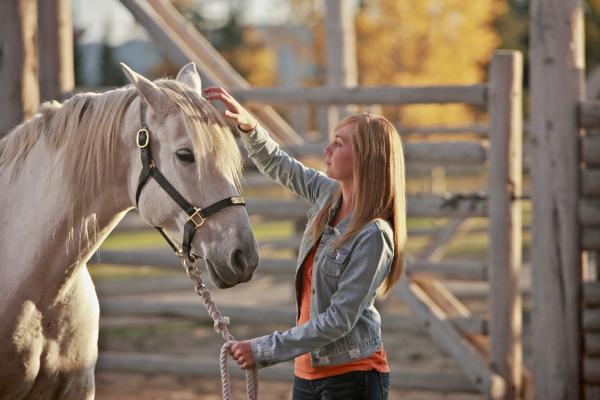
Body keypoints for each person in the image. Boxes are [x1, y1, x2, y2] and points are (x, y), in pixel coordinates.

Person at [204, 86, 406, 400]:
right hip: (307, 375)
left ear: (365, 158)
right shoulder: (328, 196)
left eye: (338, 144)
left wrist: (262, 349)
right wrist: (249, 126)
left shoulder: (374, 235)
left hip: (353, 378)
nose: (327, 149)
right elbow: (280, 166)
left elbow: (338, 320)